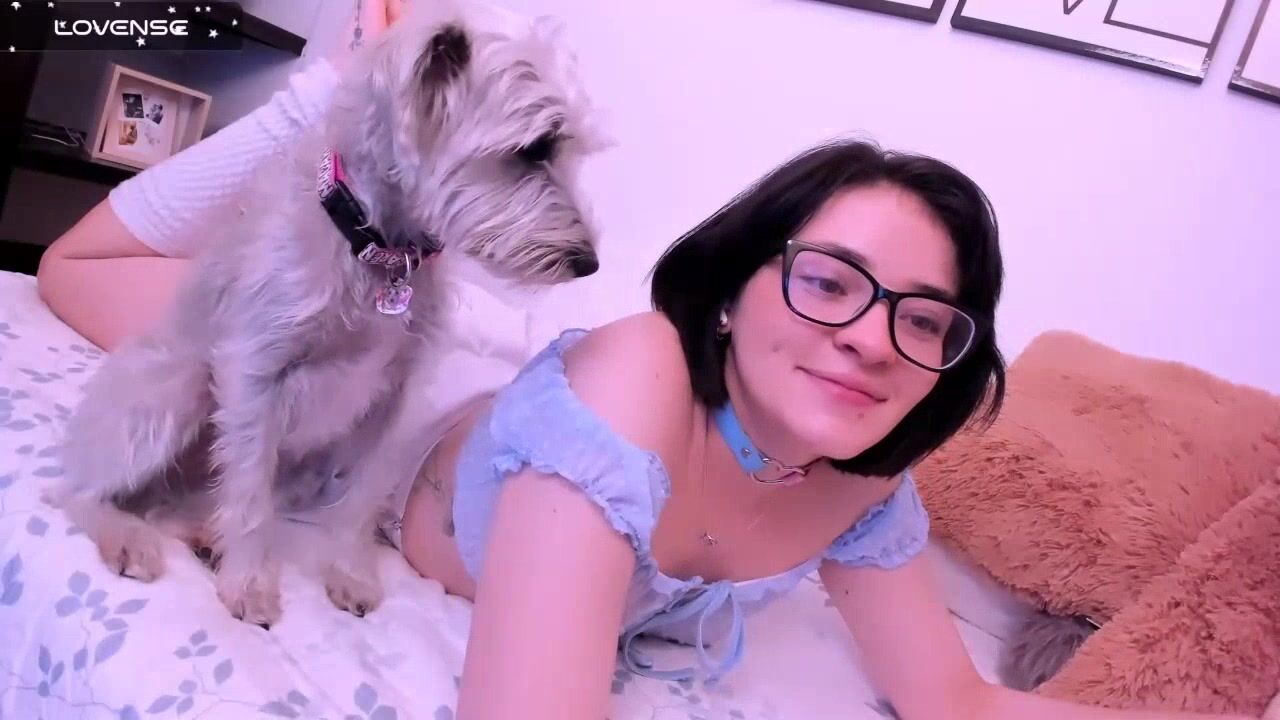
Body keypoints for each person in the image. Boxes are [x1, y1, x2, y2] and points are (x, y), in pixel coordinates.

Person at [37, 3, 1261, 720]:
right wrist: (366, 96)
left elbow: (959, 702)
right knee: (80, 271)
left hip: (453, 350)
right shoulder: (633, 380)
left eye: (926, 320)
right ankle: (343, 89)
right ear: (732, 288)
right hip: (408, 406)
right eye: (828, 280)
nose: (865, 336)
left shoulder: (862, 489)